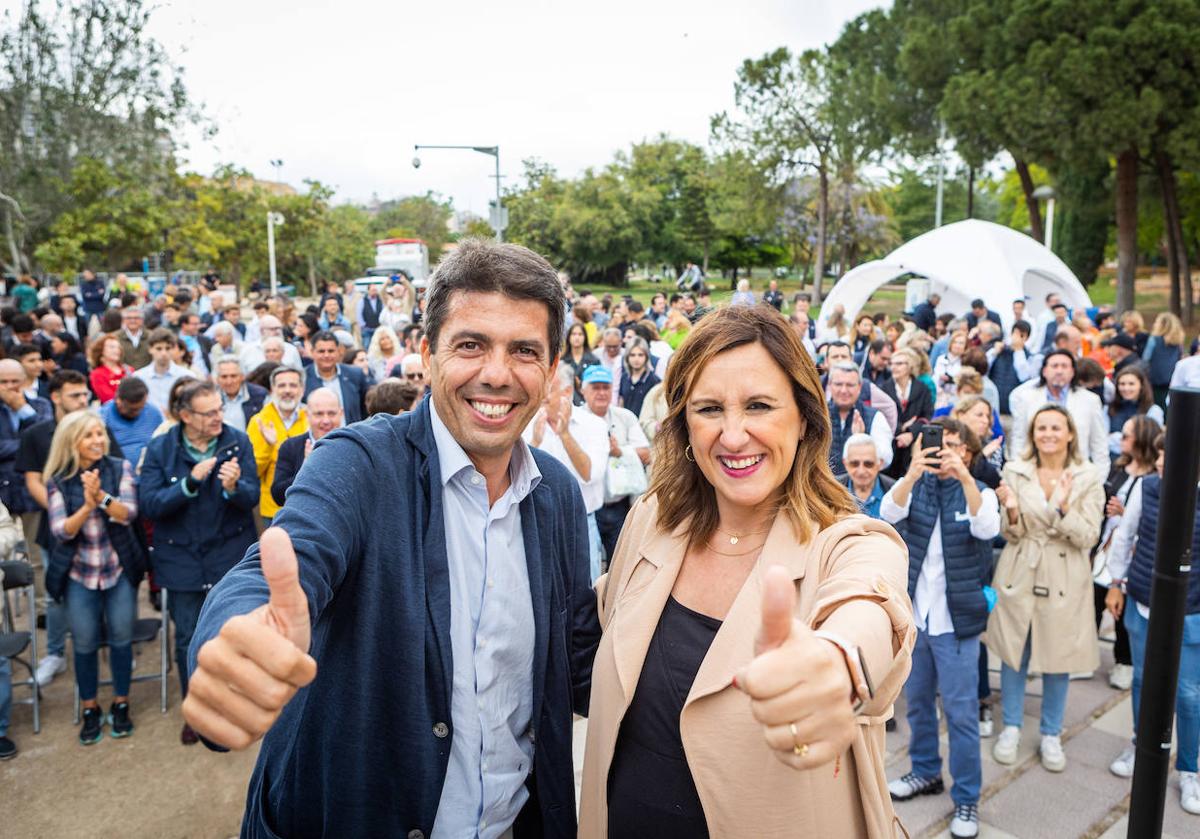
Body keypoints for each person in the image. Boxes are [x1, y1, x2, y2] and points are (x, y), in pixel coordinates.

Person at [182, 240, 600, 837]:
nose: (497, 374)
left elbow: (577, 663)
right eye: (471, 345)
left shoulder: (554, 493)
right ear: (427, 355)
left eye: (525, 351)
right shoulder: (358, 463)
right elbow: (276, 568)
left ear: (552, 369)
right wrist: (236, 641)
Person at [579, 303, 913, 836]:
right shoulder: (651, 520)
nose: (733, 437)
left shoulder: (848, 541)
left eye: (758, 405)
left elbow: (871, 607)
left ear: (804, 418)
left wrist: (837, 666)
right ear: (683, 422)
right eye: (709, 409)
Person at [883, 418, 1000, 839]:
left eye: (955, 445)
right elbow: (888, 512)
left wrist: (966, 477)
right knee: (916, 704)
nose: (945, 451)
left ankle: (967, 797)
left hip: (955, 622)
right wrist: (913, 471)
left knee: (962, 713)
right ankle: (925, 771)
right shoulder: (918, 484)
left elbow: (987, 528)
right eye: (939, 444)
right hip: (917, 616)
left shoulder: (980, 492)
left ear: (969, 452)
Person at [139, 380, 259, 746]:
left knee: (237, 633)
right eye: (208, 413)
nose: (217, 419)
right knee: (189, 636)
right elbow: (151, 505)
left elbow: (252, 495)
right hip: (181, 560)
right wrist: (189, 484)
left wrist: (235, 487)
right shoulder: (161, 448)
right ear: (185, 416)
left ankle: (237, 704)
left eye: (220, 410)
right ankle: (199, 709)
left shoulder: (236, 439)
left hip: (228, 556)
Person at [987, 404, 1105, 773]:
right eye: (1041, 428)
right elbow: (1011, 533)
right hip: (1021, 567)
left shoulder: (1088, 476)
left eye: (1056, 427)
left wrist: (1065, 508)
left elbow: (1089, 536)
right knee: (1014, 652)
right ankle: (1012, 727)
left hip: (1065, 575)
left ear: (1070, 433)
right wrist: (1010, 511)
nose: (1048, 434)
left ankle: (1052, 733)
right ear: (1033, 434)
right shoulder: (1015, 470)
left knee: (1058, 657)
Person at [1103, 435, 1200, 815]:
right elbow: (1126, 535)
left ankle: (1189, 768)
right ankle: (1140, 744)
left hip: (1190, 609)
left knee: (1188, 693)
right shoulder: (1147, 487)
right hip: (1143, 601)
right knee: (1143, 679)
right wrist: (1115, 583)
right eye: (1160, 453)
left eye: (1169, 453)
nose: (1160, 460)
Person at [44, 410, 143, 745]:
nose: (98, 440)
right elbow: (61, 531)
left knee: (121, 639)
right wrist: (87, 506)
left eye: (100, 433)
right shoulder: (58, 478)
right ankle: (89, 708)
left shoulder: (120, 468)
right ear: (72, 441)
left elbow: (128, 513)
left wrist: (101, 497)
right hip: (79, 574)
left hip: (118, 570)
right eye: (89, 435)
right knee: (84, 643)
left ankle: (120, 703)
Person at [1094, 415, 1158, 696]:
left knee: (1122, 611)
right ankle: (1086, 652)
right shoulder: (1117, 468)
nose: (1122, 439)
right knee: (1094, 599)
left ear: (1141, 440)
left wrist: (1125, 514)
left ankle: (1125, 661)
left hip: (1134, 553)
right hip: (1105, 545)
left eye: (1128, 435)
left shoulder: (1152, 480)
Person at [527, 364, 610, 580]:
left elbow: (591, 474)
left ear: (567, 392)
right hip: (537, 520)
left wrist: (565, 436)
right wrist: (534, 441)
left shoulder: (594, 425)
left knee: (585, 588)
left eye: (549, 387)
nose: (543, 394)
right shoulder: (528, 423)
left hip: (581, 522)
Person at [581, 365, 649, 565]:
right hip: (587, 506)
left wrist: (620, 452)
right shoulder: (575, 419)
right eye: (596, 387)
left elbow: (646, 453)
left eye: (606, 387)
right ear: (583, 390)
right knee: (587, 565)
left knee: (619, 564)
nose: (601, 393)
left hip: (619, 506)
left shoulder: (625, 417)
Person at [1008, 350, 1108, 466]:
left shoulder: (1090, 400)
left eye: (1064, 366)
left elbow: (1099, 444)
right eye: (1054, 366)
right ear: (1044, 371)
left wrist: (1098, 480)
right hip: (1034, 471)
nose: (1059, 371)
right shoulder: (1026, 398)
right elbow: (1019, 439)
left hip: (1076, 473)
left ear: (1072, 372)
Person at [247, 367, 308, 524]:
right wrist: (268, 446)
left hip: (306, 504)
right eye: (281, 386)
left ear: (302, 389)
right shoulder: (259, 421)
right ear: (272, 389)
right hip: (273, 509)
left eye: (293, 385)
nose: (287, 390)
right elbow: (253, 471)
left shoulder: (313, 417)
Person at [268, 387, 342, 507]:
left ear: (341, 413)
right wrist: (306, 469)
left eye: (331, 413)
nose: (326, 420)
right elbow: (278, 496)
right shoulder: (290, 447)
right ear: (308, 415)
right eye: (319, 414)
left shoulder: (354, 445)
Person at [827, 363, 893, 476]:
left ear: (859, 387)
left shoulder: (875, 417)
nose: (843, 390)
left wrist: (862, 439)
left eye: (850, 385)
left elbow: (886, 459)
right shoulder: (818, 414)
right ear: (829, 386)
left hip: (858, 487)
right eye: (838, 384)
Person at [302, 330, 367, 424]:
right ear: (312, 352)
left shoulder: (355, 375)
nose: (326, 355)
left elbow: (364, 408)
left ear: (339, 351)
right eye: (321, 351)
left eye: (331, 351)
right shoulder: (303, 378)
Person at [134, 328, 195, 414]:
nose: (164, 353)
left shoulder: (187, 376)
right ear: (150, 349)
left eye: (168, 348)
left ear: (173, 349)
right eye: (159, 349)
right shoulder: (138, 377)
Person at [1107, 366, 1164, 457]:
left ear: (1141, 385)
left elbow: (1148, 441)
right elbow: (1101, 439)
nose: (1126, 388)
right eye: (1122, 384)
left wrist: (1114, 437)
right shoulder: (1110, 408)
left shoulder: (1153, 410)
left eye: (1131, 384)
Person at [838, 433, 895, 519]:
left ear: (880, 464)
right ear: (845, 464)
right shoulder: (831, 489)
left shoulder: (895, 491)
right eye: (854, 464)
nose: (861, 471)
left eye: (868, 464)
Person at [1141, 312, 1185, 409]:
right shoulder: (1178, 343)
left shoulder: (1154, 340)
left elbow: (1145, 359)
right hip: (1171, 381)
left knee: (1155, 407)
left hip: (1154, 381)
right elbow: (1180, 360)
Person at [215, 358, 267, 434]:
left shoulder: (259, 395)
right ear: (217, 379)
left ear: (242, 377)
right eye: (224, 377)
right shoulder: (210, 398)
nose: (229, 382)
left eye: (233, 376)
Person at [618, 336, 660, 418]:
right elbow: (621, 403)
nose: (636, 359)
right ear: (627, 357)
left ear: (646, 356)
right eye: (632, 355)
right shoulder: (624, 377)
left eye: (640, 355)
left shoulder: (654, 380)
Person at [88, 333, 133, 404]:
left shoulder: (129, 370)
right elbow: (107, 398)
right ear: (101, 350)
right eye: (112, 347)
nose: (117, 350)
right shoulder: (97, 374)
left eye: (118, 347)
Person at [562, 322, 600, 402]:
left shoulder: (594, 361)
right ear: (569, 337)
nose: (577, 337)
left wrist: (581, 386)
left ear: (585, 337)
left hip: (588, 403)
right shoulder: (563, 361)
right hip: (568, 403)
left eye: (580, 334)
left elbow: (597, 385)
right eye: (574, 334)